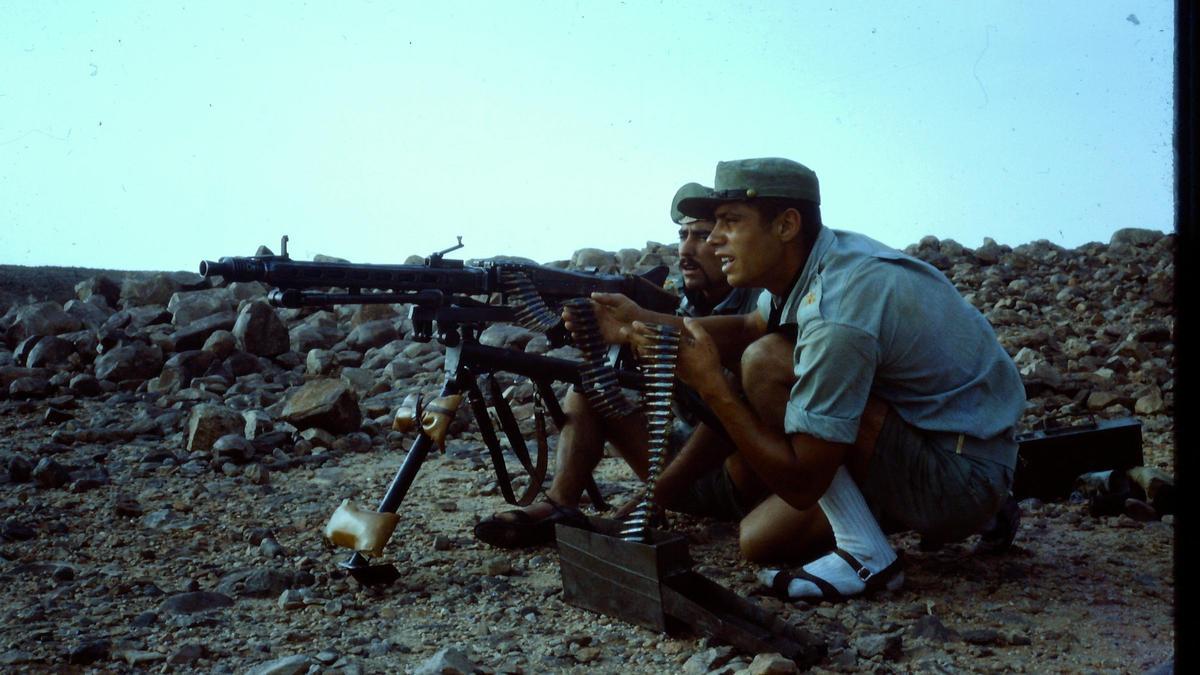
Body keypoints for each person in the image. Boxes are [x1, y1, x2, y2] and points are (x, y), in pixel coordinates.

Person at [587, 157, 1025, 601]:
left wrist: (714, 388)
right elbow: (745, 328)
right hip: (959, 452)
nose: (714, 239)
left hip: (957, 476)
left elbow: (802, 484)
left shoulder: (838, 306)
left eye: (731, 222)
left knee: (766, 363)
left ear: (787, 225)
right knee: (758, 540)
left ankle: (867, 557)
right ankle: (984, 513)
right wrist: (639, 321)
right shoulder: (819, 260)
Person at [473, 183, 762, 548]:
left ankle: (650, 501)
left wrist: (652, 497)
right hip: (681, 473)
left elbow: (727, 415)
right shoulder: (683, 301)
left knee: (733, 391)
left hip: (742, 481)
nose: (686, 249)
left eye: (702, 236)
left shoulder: (759, 303)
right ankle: (561, 504)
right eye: (683, 235)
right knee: (593, 384)